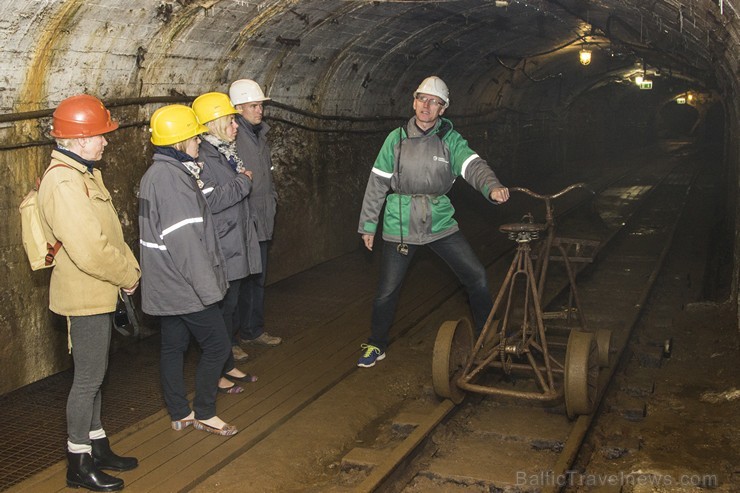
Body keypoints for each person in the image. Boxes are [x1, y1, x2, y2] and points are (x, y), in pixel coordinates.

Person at [357, 76, 510, 368]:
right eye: (422, 99)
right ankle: (376, 344)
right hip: (399, 223)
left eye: (433, 102)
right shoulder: (396, 139)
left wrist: (491, 186)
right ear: (414, 102)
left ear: (443, 109)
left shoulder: (450, 140)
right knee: (387, 291)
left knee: (476, 275)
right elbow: (377, 182)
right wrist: (368, 224)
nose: (426, 106)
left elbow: (473, 166)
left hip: (439, 221)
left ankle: (486, 335)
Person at [38, 94, 141, 491]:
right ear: (80, 139)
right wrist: (127, 276)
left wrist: (126, 269)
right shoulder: (63, 182)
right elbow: (89, 248)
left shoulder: (82, 173)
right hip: (86, 294)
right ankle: (78, 463)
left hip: (99, 291)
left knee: (96, 376)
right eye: (100, 135)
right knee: (87, 380)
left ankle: (97, 446)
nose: (106, 142)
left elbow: (108, 231)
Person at [138, 104, 237, 437]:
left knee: (173, 347)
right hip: (185, 286)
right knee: (218, 347)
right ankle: (205, 412)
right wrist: (210, 293)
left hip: (165, 283)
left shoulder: (158, 174)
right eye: (194, 137)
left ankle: (179, 412)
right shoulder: (172, 181)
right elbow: (187, 246)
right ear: (179, 142)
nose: (199, 141)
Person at [191, 92, 261, 390]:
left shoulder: (225, 151)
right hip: (222, 242)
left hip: (235, 239)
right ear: (214, 124)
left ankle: (227, 364)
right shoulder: (204, 157)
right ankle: (218, 370)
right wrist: (243, 181)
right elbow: (212, 200)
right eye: (230, 121)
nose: (235, 126)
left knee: (230, 305)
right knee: (221, 309)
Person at [228, 79, 282, 347]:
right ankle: (231, 342)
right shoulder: (233, 138)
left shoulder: (259, 135)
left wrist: (272, 200)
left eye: (260, 105)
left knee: (257, 279)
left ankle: (253, 330)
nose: (260, 110)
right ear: (238, 108)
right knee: (237, 283)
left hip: (261, 217)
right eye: (254, 105)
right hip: (243, 221)